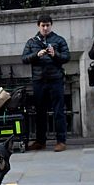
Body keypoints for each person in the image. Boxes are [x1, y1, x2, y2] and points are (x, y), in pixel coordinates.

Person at [21, 14, 70, 152]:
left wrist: (55, 54)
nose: (45, 28)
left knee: (59, 111)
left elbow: (67, 57)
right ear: (38, 26)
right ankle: (40, 141)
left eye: (47, 25)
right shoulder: (32, 42)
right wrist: (36, 55)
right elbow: (24, 58)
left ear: (51, 25)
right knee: (40, 112)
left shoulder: (59, 40)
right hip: (39, 81)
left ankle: (61, 141)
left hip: (56, 80)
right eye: (43, 25)